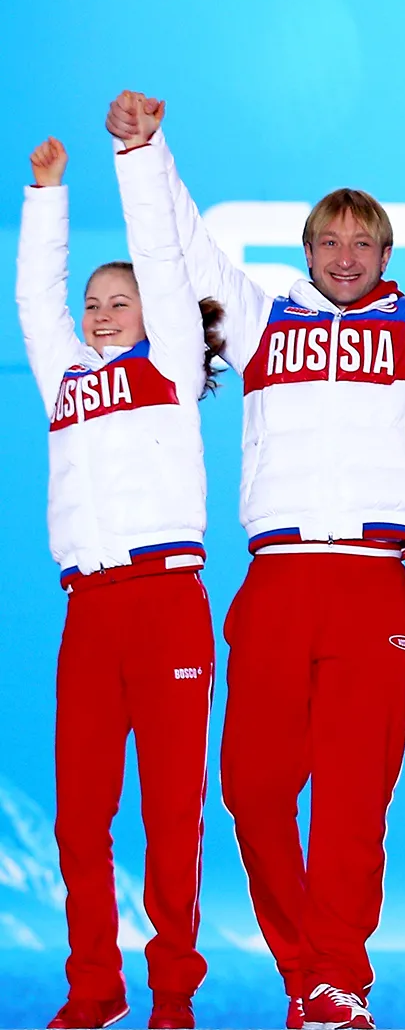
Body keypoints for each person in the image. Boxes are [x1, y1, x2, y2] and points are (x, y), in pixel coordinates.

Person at [103, 86, 405, 1030]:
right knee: (252, 792)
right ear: (305, 252)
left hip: (372, 587)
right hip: (275, 584)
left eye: (363, 244)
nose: (345, 257)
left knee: (353, 803)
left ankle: (338, 983)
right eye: (329, 243)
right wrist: (144, 155)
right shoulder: (262, 322)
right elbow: (177, 248)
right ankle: (308, 971)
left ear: (387, 257)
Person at [20, 135, 223, 1030]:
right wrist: (47, 194)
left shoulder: (171, 369)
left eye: (120, 302)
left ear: (152, 312)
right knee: (78, 820)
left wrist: (132, 156)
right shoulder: (64, 378)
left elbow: (164, 270)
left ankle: (172, 993)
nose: (101, 316)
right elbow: (35, 299)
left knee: (172, 815)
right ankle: (94, 989)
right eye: (93, 304)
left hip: (166, 603)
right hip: (89, 612)